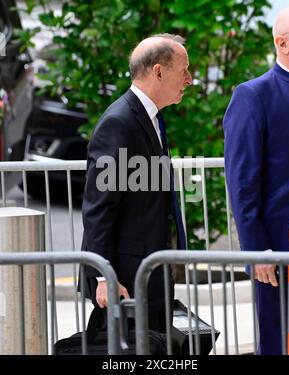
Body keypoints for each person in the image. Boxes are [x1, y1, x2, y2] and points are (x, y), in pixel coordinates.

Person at [81, 34, 192, 333]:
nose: (190, 80)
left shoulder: (153, 117)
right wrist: (104, 277)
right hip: (126, 279)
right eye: (184, 71)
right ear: (158, 71)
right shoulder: (119, 122)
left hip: (150, 273)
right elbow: (99, 207)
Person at [223, 6, 289, 355]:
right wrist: (258, 251)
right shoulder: (254, 95)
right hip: (281, 253)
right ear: (282, 44)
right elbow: (242, 184)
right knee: (282, 341)